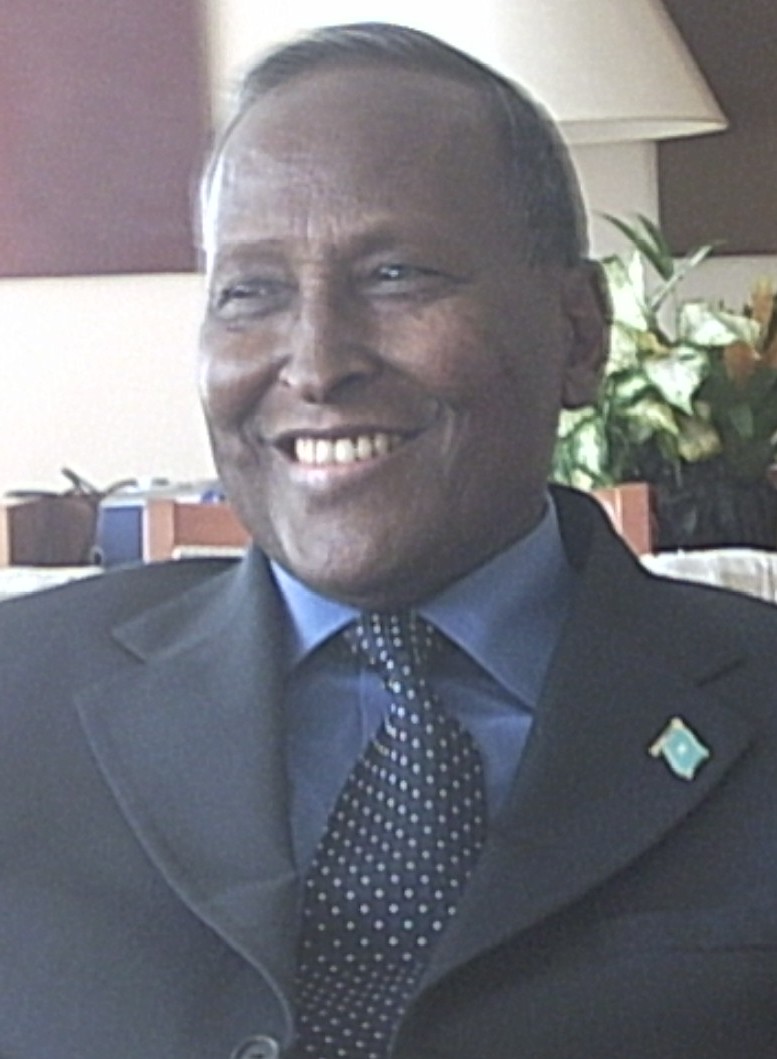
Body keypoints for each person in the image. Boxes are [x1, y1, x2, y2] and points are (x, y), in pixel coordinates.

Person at [2, 22, 777, 1059]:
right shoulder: (20, 699)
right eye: (251, 292)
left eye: (397, 275)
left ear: (578, 333)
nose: (316, 363)